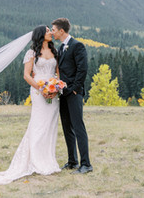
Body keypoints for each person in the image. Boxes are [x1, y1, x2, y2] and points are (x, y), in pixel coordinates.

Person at [0, 25, 61, 185]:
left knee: (50, 126)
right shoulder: (32, 53)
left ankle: (48, 160)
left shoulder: (55, 52)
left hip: (53, 94)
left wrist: (56, 88)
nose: (50, 32)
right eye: (47, 30)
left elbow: (57, 74)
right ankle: (36, 161)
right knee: (38, 126)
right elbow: (26, 75)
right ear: (41, 34)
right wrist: (42, 88)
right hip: (38, 91)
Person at [51, 18, 93, 174]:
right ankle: (72, 161)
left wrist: (75, 89)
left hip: (74, 93)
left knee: (78, 127)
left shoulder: (77, 46)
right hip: (63, 94)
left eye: (54, 29)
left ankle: (86, 164)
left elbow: (83, 69)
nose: (52, 32)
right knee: (67, 128)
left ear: (62, 31)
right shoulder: (61, 48)